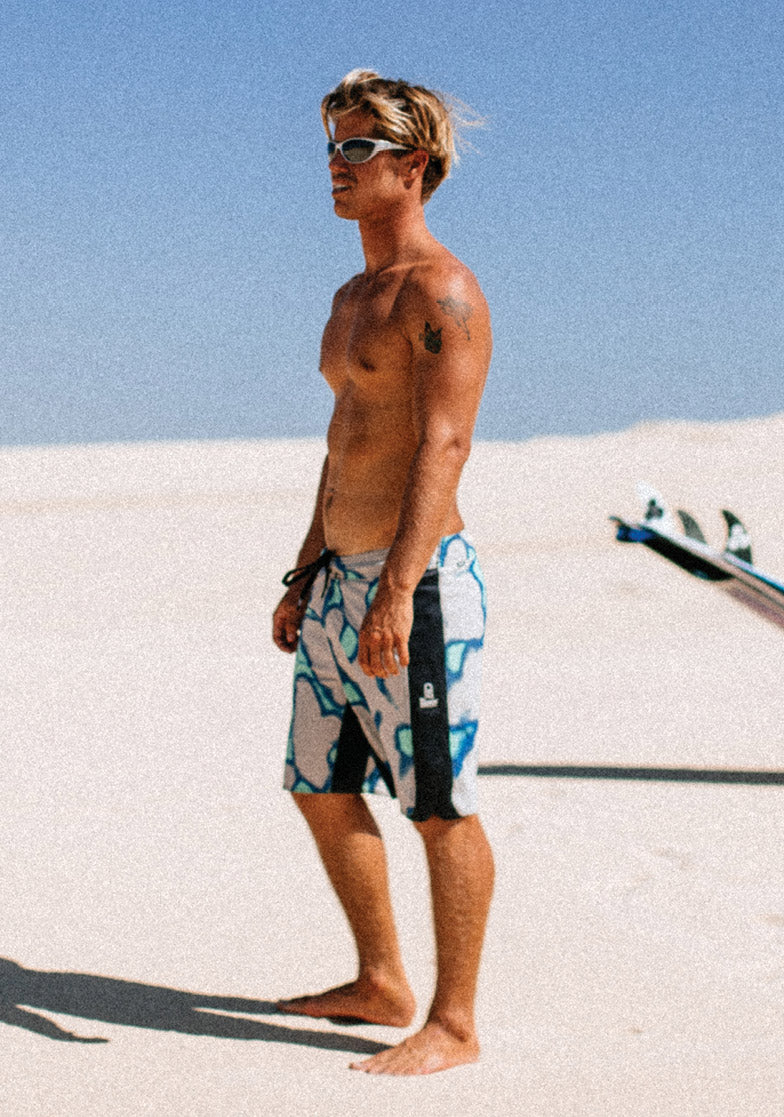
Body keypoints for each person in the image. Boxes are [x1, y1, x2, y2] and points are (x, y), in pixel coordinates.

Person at [272, 69, 494, 1076]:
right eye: (330, 147)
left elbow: (442, 446)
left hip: (419, 583)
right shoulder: (352, 296)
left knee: (438, 802)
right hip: (336, 577)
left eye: (357, 149)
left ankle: (452, 1022)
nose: (335, 165)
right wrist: (303, 569)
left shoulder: (442, 291)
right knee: (319, 785)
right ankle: (381, 980)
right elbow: (345, 438)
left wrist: (398, 590)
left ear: (412, 166)